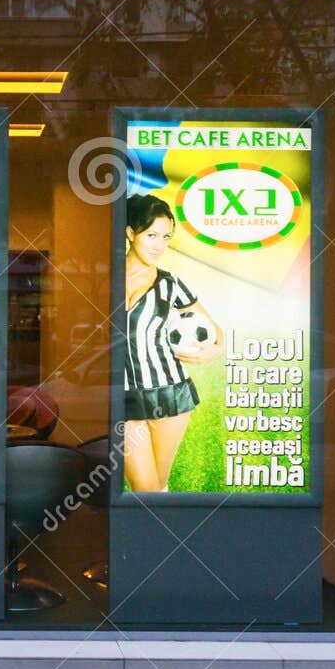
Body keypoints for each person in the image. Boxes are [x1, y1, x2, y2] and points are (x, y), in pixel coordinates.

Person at [123, 193, 224, 492]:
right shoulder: (105, 278)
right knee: (144, 488)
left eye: (165, 237)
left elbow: (216, 332)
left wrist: (213, 352)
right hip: (124, 397)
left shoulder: (172, 284)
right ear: (131, 233)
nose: (159, 245)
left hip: (171, 395)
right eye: (151, 235)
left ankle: (161, 538)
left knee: (156, 489)